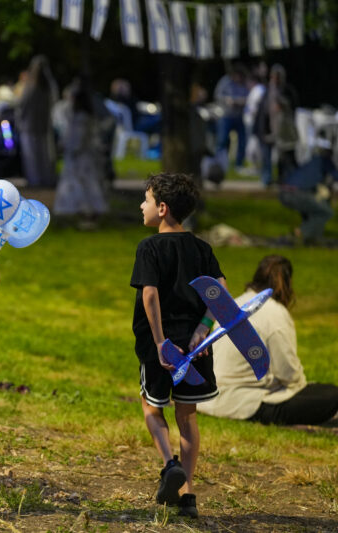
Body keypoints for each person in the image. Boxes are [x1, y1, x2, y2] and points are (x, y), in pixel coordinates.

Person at [130, 173, 225, 519]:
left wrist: (159, 343)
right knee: (188, 416)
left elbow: (150, 294)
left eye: (147, 200)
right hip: (196, 346)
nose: (143, 206)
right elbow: (220, 292)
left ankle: (169, 464)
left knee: (151, 408)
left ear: (163, 208)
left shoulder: (149, 247)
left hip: (162, 348)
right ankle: (188, 496)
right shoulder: (202, 249)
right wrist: (204, 328)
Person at [199, 256, 338, 426]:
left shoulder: (236, 303)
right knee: (332, 396)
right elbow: (287, 373)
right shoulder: (275, 313)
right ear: (287, 283)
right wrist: (301, 386)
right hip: (244, 403)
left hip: (210, 397)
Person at [53, 84, 107, 228]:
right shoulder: (86, 116)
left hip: (79, 157)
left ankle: (87, 214)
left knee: (83, 185)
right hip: (85, 155)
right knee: (86, 185)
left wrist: (67, 147)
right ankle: (86, 214)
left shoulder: (80, 118)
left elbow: (77, 138)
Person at [278, 143, 336, 244]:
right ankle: (301, 234)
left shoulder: (312, 161)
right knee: (326, 211)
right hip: (296, 193)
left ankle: (312, 237)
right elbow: (335, 175)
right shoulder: (325, 161)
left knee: (313, 211)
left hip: (285, 192)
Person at [16, 55, 58, 187]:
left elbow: (22, 104)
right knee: (44, 155)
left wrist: (19, 121)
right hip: (44, 125)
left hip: (30, 126)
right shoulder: (49, 86)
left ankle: (35, 180)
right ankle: (45, 179)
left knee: (31, 156)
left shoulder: (31, 86)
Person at [254, 64, 298, 186]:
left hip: (282, 130)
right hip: (267, 128)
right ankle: (267, 180)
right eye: (274, 76)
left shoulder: (287, 91)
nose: (275, 79)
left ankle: (284, 179)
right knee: (266, 157)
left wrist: (282, 104)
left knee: (284, 157)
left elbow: (292, 107)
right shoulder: (267, 91)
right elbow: (261, 111)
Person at [214, 63, 249, 170]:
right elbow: (217, 95)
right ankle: (220, 163)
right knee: (222, 140)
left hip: (239, 116)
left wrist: (241, 101)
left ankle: (239, 164)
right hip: (226, 115)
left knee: (242, 141)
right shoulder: (225, 81)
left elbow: (249, 97)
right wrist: (227, 100)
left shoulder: (244, 83)